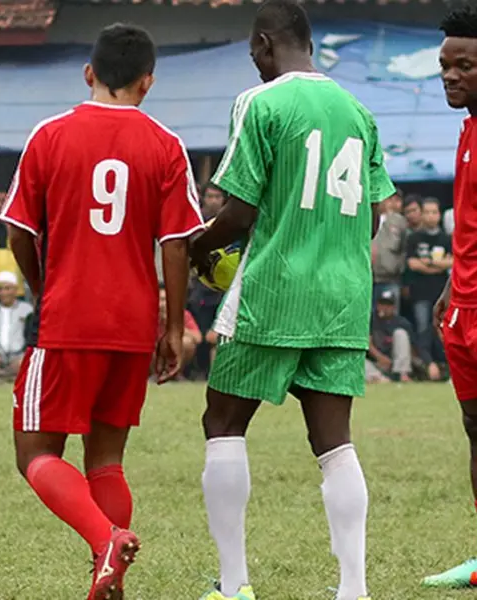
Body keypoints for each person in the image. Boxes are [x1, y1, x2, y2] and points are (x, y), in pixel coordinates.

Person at [188, 2, 394, 599]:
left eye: (253, 51)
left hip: (274, 290)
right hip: (343, 296)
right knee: (335, 441)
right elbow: (374, 216)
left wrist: (198, 248)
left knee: (223, 421)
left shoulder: (260, 102)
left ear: (263, 43)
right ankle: (353, 589)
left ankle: (234, 586)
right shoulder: (358, 110)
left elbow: (239, 211)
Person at [0, 23, 204, 599]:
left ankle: (105, 541)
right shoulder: (166, 144)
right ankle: (108, 575)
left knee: (35, 452)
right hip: (133, 324)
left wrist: (43, 287)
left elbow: (18, 231)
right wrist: (172, 327)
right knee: (107, 459)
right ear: (148, 81)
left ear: (88, 73)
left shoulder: (50, 135)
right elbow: (177, 244)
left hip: (69, 317)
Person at [424, 6, 477, 588]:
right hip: (462, 307)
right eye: (445, 65)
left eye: (464, 65)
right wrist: (449, 286)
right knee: (474, 426)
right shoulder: (467, 129)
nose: (451, 76)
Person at [405, 197, 451, 376]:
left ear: (439, 215)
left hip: (442, 292)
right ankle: (427, 365)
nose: (431, 216)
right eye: (427, 212)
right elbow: (412, 264)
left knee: (444, 330)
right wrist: (438, 265)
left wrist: (428, 263)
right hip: (421, 293)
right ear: (421, 214)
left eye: (434, 212)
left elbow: (453, 262)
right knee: (423, 328)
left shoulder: (446, 238)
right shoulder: (414, 238)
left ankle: (445, 367)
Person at [367, 289, 416, 383]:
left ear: (394, 307)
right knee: (360, 362)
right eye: (382, 304)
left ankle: (402, 374)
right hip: (375, 362)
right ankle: (381, 379)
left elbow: (413, 348)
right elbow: (367, 343)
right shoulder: (370, 320)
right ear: (377, 305)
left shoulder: (402, 322)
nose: (385, 307)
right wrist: (380, 358)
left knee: (400, 333)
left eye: (388, 305)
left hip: (394, 363)